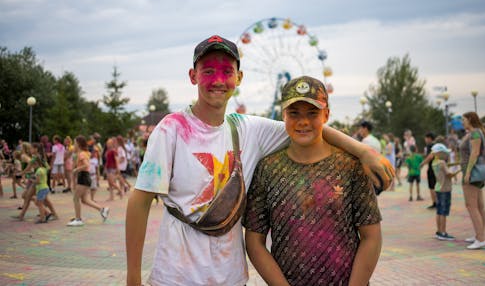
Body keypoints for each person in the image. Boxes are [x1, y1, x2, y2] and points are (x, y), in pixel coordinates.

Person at [125, 35, 394, 286]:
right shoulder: (170, 130)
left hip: (230, 276)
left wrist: (363, 152)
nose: (218, 80)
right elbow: (140, 202)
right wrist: (133, 278)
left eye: (227, 72)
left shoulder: (248, 129)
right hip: (176, 275)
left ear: (239, 78)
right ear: (192, 76)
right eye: (208, 71)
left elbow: (308, 127)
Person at [243, 76, 382, 285]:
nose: (303, 121)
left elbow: (371, 236)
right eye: (294, 113)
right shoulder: (267, 170)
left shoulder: (350, 166)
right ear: (283, 115)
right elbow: (254, 241)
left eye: (312, 113)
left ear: (326, 114)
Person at [460, 112, 485, 249]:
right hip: (475, 173)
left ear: (470, 119)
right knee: (479, 205)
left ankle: (481, 238)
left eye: (463, 119)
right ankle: (479, 234)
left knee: (471, 205)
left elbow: (475, 153)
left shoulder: (475, 134)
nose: (462, 122)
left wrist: (468, 172)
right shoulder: (475, 132)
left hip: (472, 173)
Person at [67, 135, 109, 227]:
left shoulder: (82, 154)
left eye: (74, 143)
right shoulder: (84, 153)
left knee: (76, 198)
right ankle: (102, 209)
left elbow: (86, 165)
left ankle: (78, 219)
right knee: (85, 200)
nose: (74, 145)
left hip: (83, 177)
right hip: (85, 177)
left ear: (78, 144)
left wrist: (76, 170)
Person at [431, 143, 458, 241]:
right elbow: (448, 174)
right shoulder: (442, 162)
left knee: (439, 211)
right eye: (445, 153)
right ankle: (443, 232)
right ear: (440, 153)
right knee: (444, 212)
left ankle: (439, 231)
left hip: (438, 188)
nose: (447, 155)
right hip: (445, 189)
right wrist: (457, 172)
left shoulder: (434, 162)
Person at [33, 154, 58, 223]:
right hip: (45, 187)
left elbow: (38, 181)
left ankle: (42, 218)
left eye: (33, 165)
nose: (33, 166)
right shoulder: (44, 169)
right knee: (38, 202)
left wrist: (32, 180)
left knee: (40, 204)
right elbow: (48, 167)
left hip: (41, 188)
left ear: (36, 163)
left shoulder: (38, 171)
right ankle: (47, 214)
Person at [419, 132, 437, 209]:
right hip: (436, 167)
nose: (425, 140)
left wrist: (422, 163)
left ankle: (435, 203)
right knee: (436, 185)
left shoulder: (430, 145)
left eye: (426, 138)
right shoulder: (436, 145)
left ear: (429, 138)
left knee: (432, 186)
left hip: (431, 168)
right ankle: (438, 201)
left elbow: (430, 156)